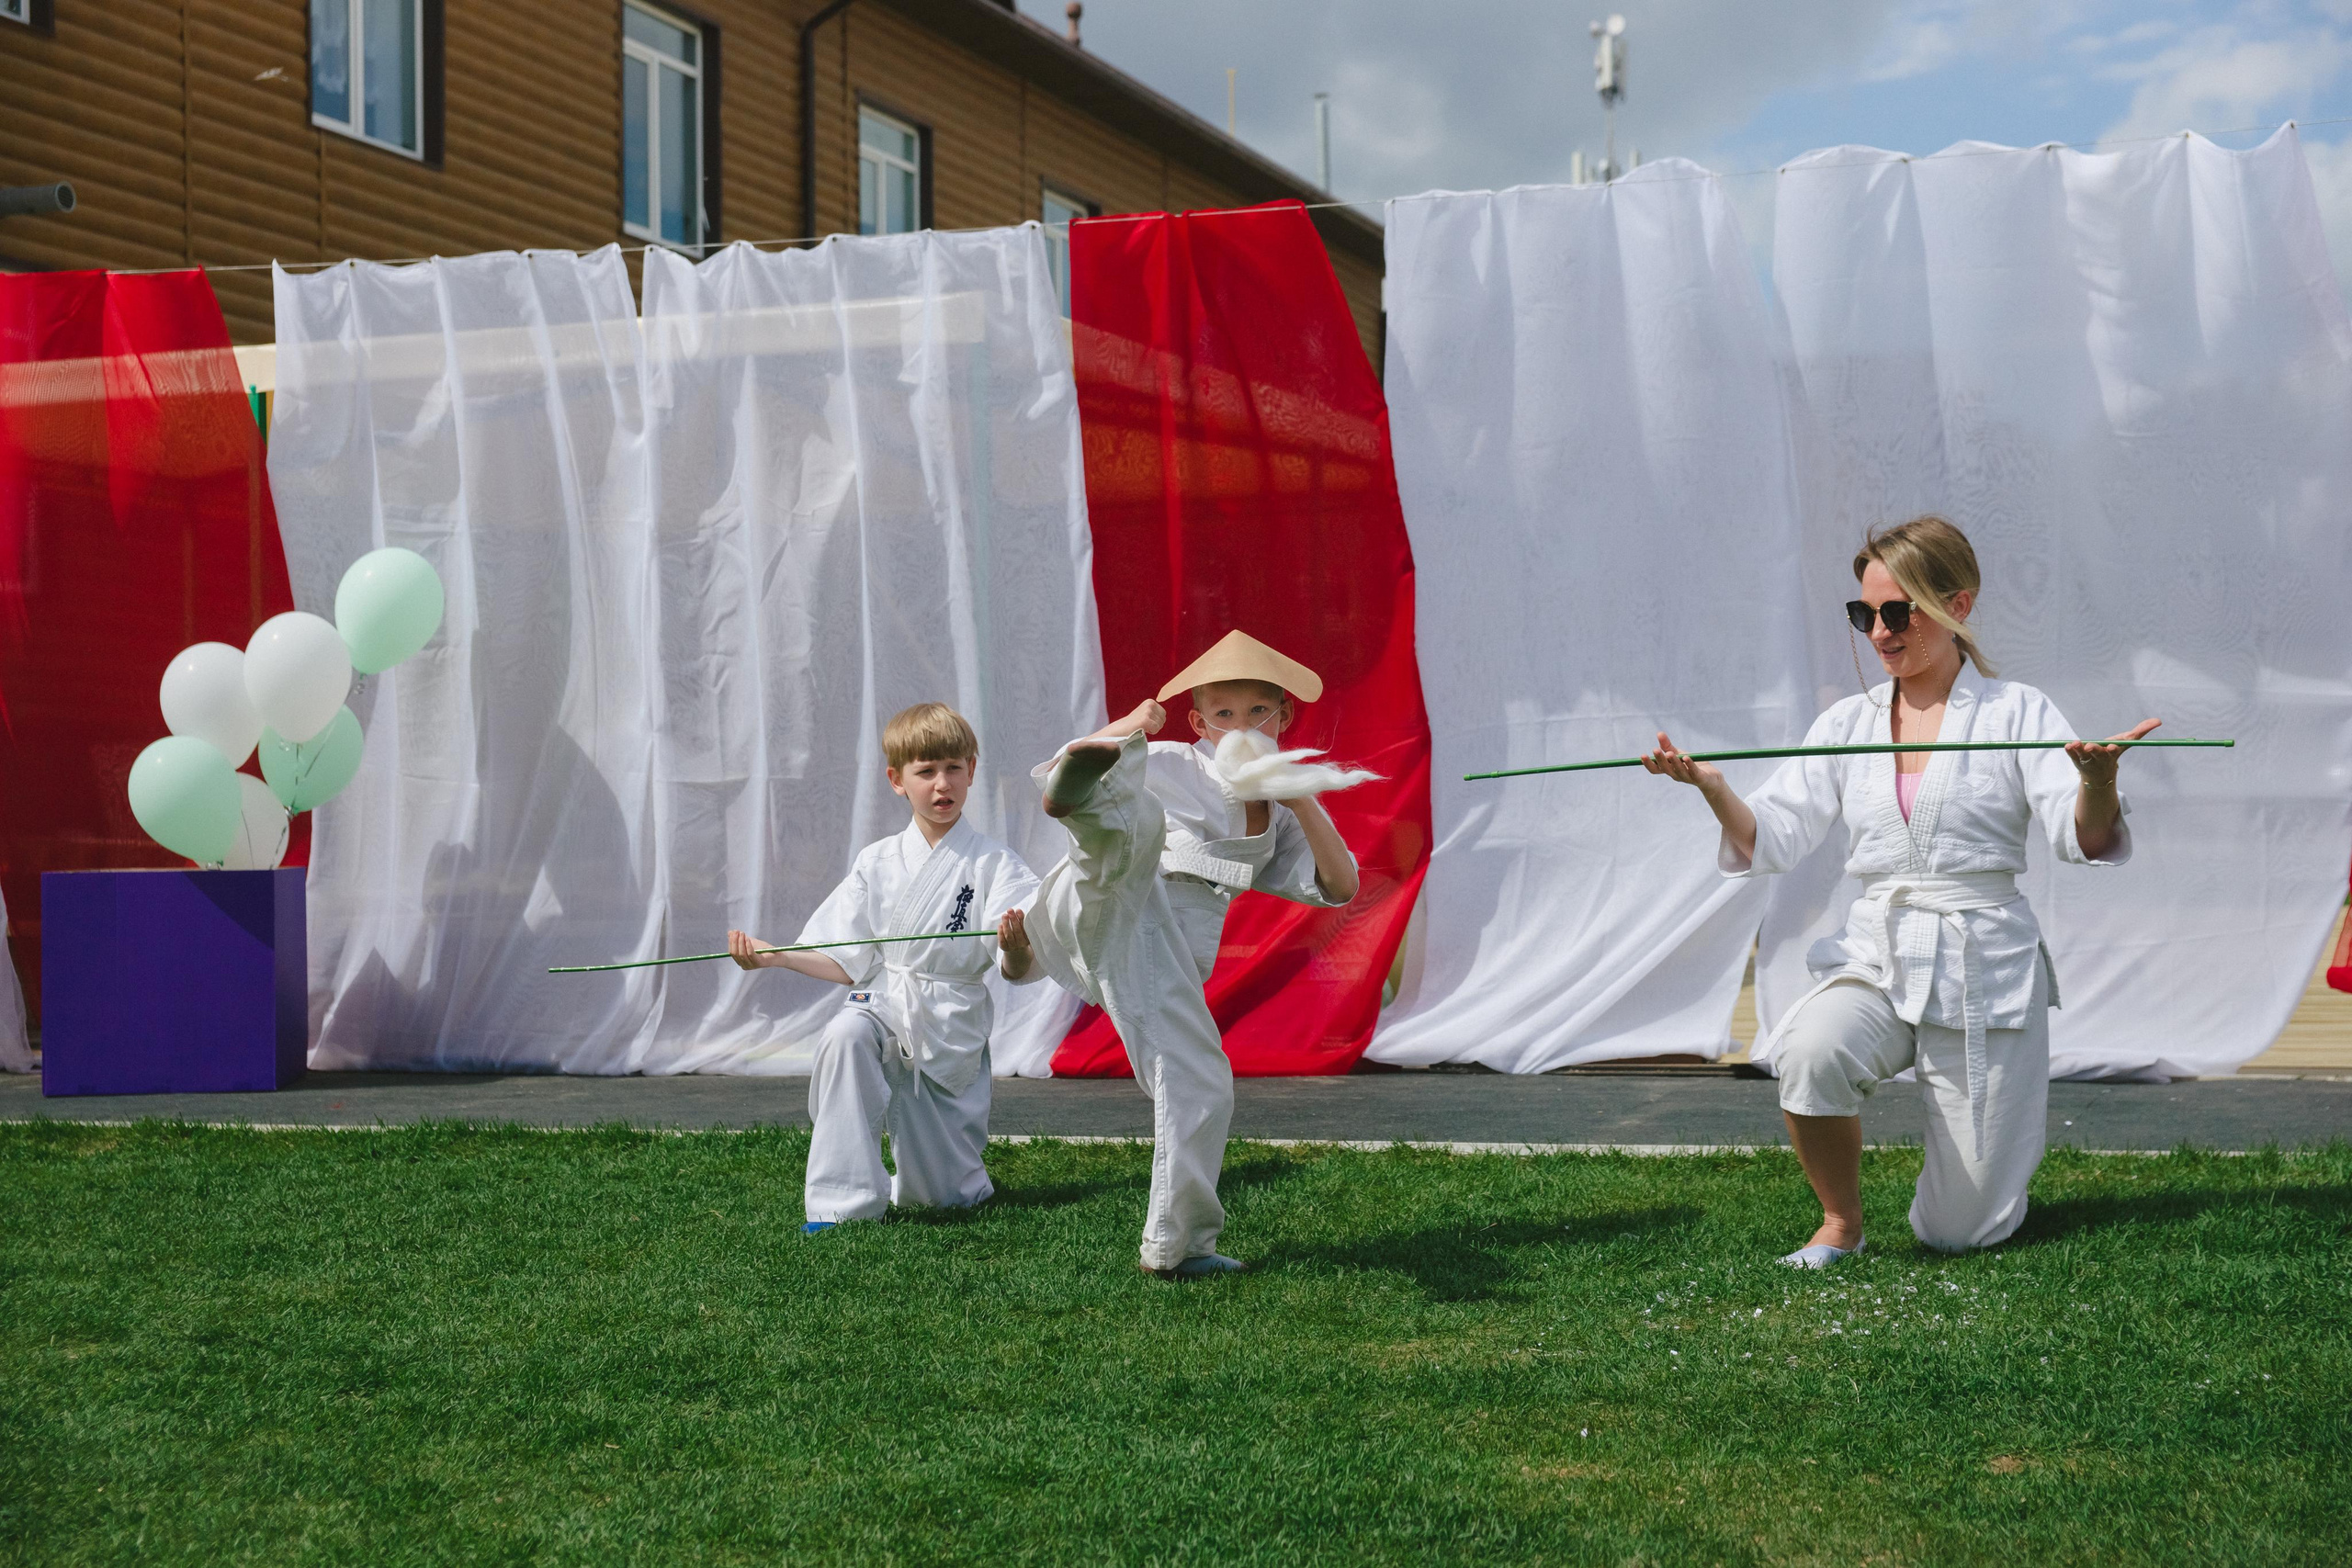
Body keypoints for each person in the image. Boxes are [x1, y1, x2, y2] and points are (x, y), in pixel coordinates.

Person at [1641, 516, 2157, 1264]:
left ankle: (1963, 1181)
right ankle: (1840, 1224)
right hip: (1880, 951)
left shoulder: (2018, 714)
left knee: (1961, 1231)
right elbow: (1773, 833)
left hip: (1982, 964)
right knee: (1810, 1050)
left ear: (1958, 604)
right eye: (1864, 614)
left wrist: (2099, 782)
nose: (1878, 632)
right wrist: (1713, 788)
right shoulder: (1848, 723)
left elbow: (2081, 837)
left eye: (1896, 611)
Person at [1026, 630, 1363, 1278]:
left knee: (1198, 1081)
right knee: (1134, 827)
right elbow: (1128, 814)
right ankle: (1093, 763)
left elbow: (1341, 885)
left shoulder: (1281, 810)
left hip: (1170, 950)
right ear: (1200, 722)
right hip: (1124, 896)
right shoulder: (1177, 762)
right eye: (1224, 715)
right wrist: (1132, 732)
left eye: (1258, 712)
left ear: (1285, 716)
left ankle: (1183, 1245)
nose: (1240, 728)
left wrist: (1300, 797)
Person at [729, 703, 1041, 1232]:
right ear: (897, 780)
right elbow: (846, 958)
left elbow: (1017, 966)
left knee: (943, 1198)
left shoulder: (996, 864)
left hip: (951, 1016)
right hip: (884, 998)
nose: (941, 784)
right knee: (845, 1034)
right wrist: (772, 955)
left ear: (971, 769)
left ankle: (940, 1179)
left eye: (953, 768)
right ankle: (840, 1204)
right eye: (925, 771)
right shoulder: (876, 861)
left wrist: (1013, 945)